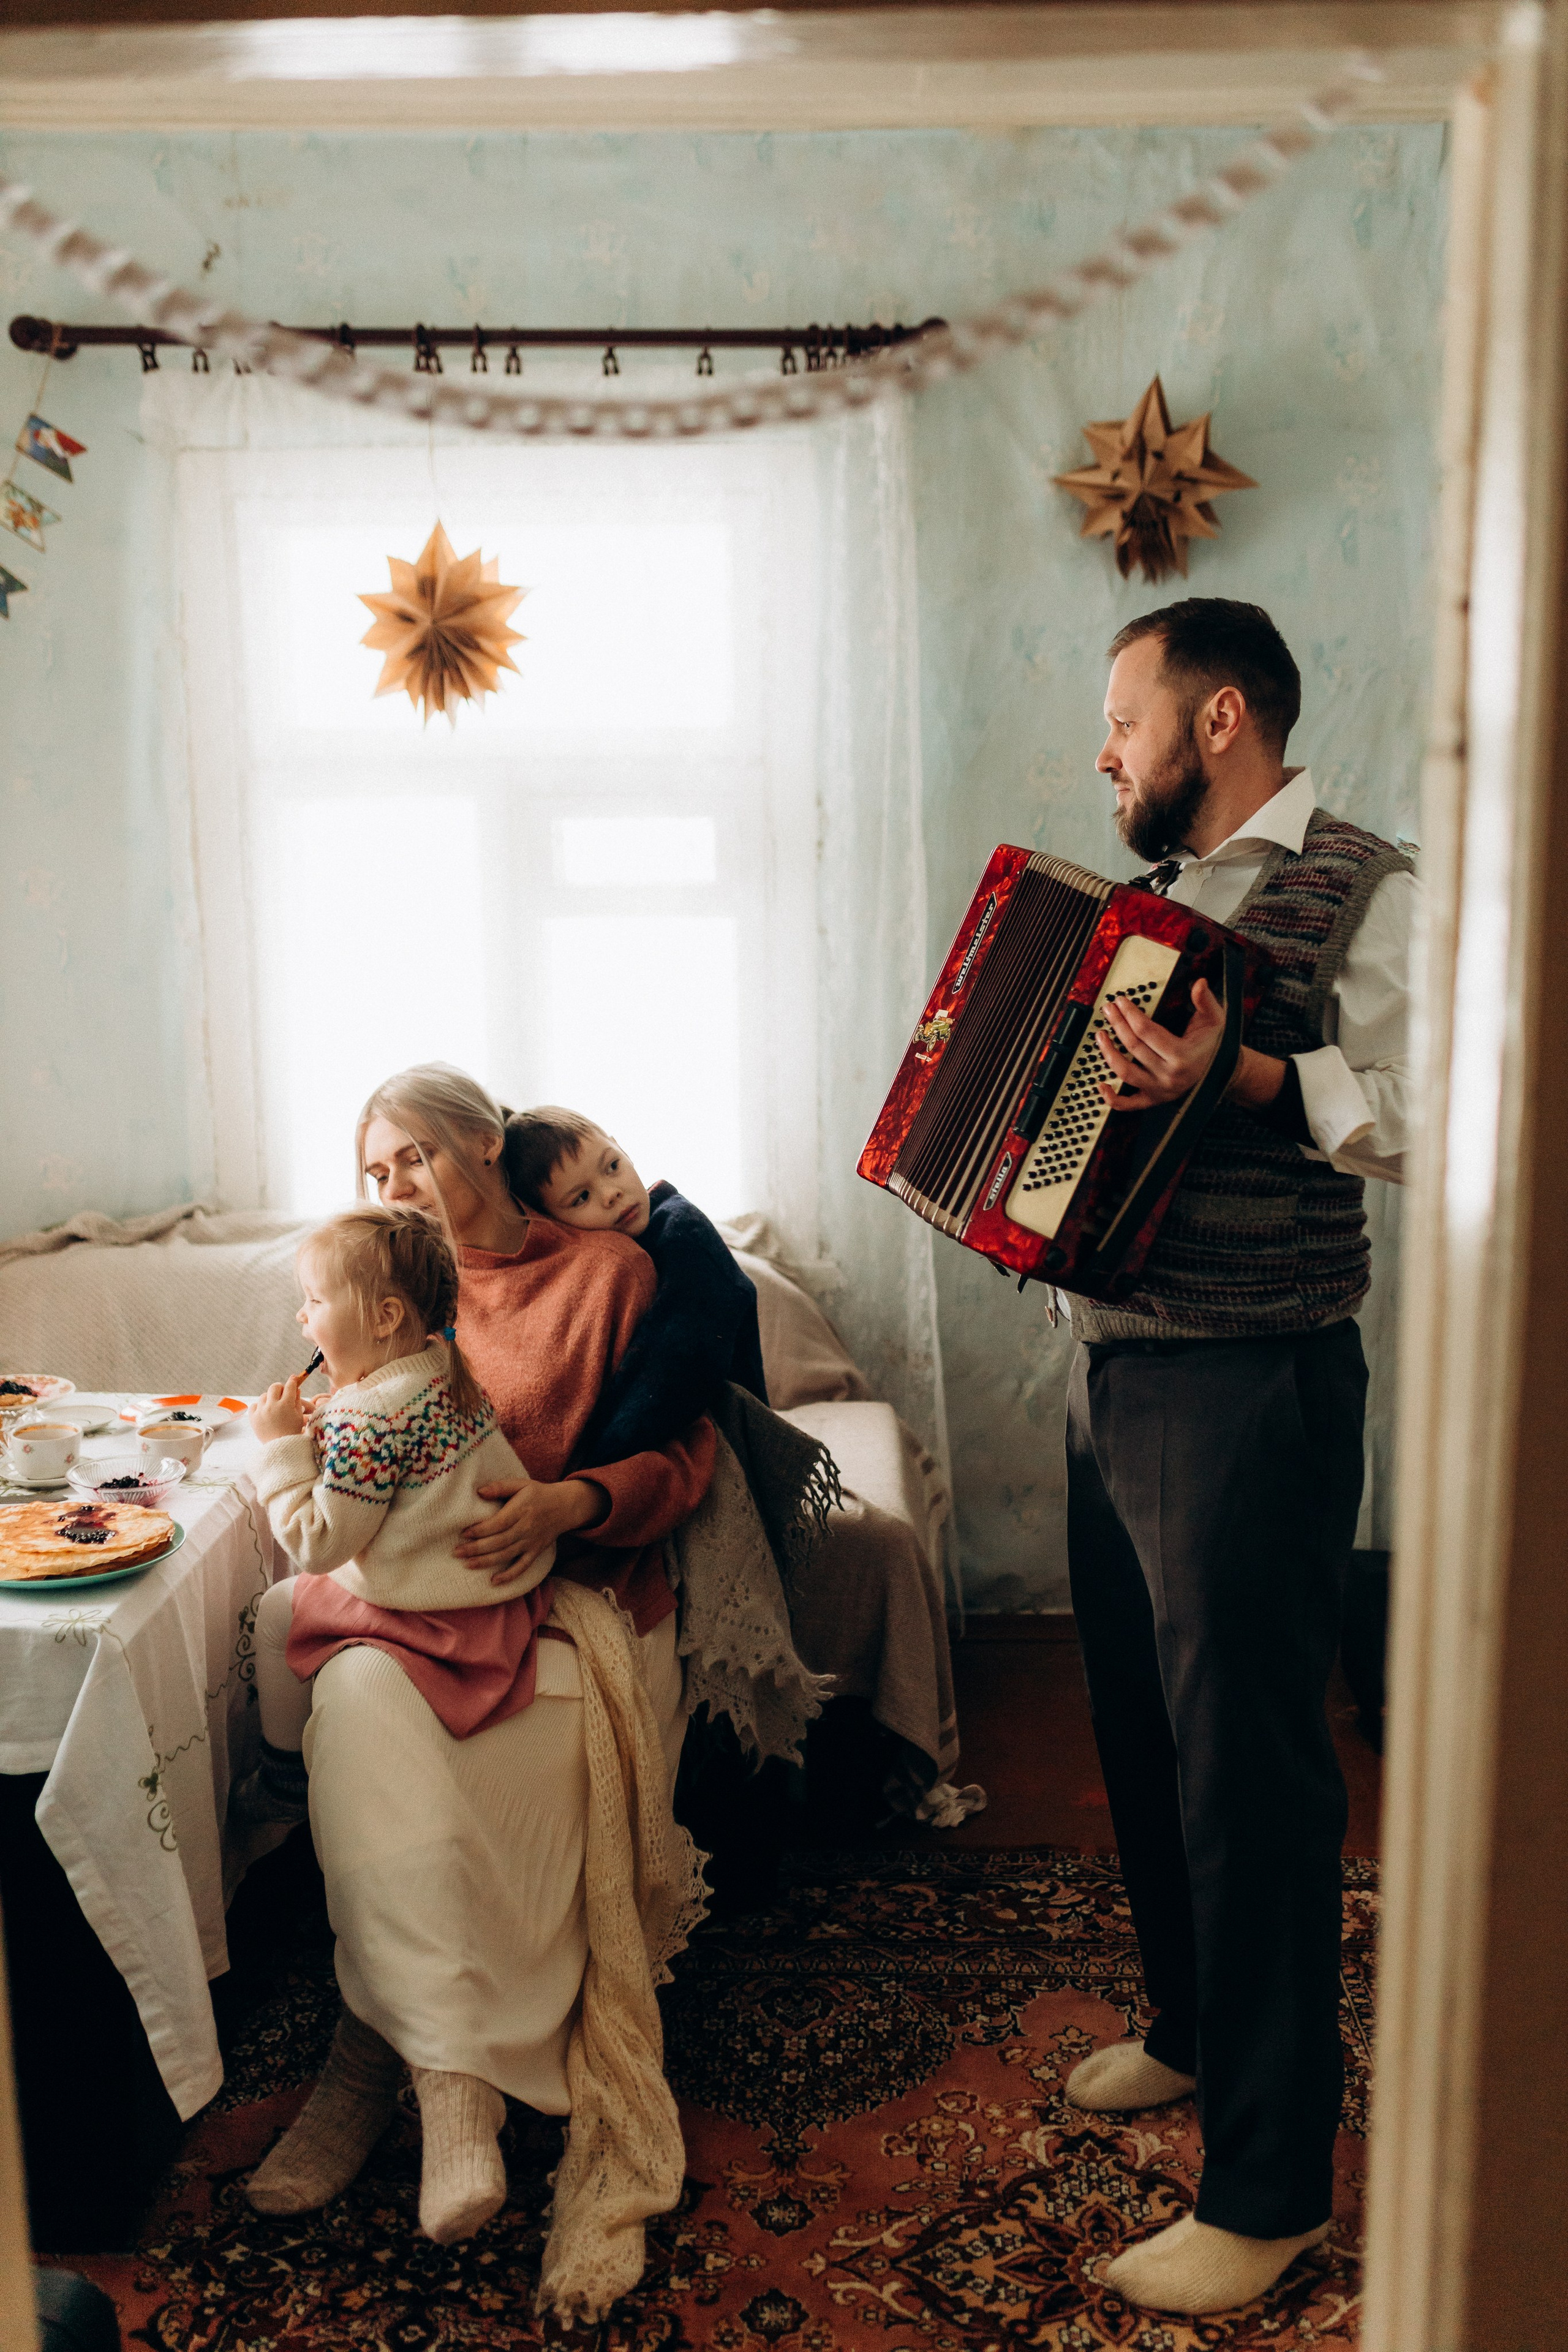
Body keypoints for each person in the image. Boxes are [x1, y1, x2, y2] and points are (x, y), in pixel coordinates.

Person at [1060, 599, 1413, 2316]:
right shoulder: (1136, 907)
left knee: (1256, 1781)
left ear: (1215, 720)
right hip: (1116, 1375)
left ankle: (1270, 2192)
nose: (1101, 753)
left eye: (1119, 718)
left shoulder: (1370, 880)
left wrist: (1258, 1076)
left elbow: (1425, 1117)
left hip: (1255, 1388)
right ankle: (1191, 2030)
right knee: (1143, 1731)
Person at [244, 1065, 714, 2318]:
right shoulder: (376, 1295)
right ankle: (397, 2060)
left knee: (525, 1749)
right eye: (375, 1173)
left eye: (410, 1158)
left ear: (484, 1146)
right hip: (399, 1616)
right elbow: (325, 1466)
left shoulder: (605, 1275)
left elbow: (688, 1453)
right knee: (351, 1710)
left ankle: (412, 2061)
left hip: (554, 1597)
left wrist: (576, 1501)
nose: (394, 1187)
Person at [231, 1204, 556, 1831]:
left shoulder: (372, 1421)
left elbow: (318, 1544)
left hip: (444, 1618)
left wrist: (280, 1448)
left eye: (315, 1301)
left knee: (274, 1612)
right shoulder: (440, 1367)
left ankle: (283, 1782)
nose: (302, 1317)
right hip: (497, 1600)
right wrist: (329, 1423)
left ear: (385, 1318)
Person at [503, 1106, 767, 1463]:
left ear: (620, 1146)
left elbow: (678, 1367)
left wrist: (591, 1465)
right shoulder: (588, 1269)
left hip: (735, 1439)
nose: (611, 1193)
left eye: (612, 1166)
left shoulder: (683, 1232)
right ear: (552, 1224)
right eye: (581, 1198)